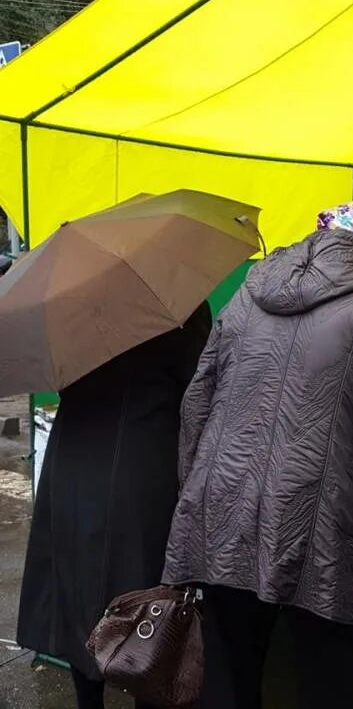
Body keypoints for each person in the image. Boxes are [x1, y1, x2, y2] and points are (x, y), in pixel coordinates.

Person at [162, 200, 353, 709]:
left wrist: (195, 498)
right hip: (322, 520)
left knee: (228, 670)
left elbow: (198, 401)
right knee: (329, 676)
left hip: (224, 504)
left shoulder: (251, 289)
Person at [17, 303, 211, 709]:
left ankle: (89, 701)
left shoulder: (67, 302)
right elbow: (196, 394)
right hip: (141, 471)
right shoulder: (177, 306)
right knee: (148, 608)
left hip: (72, 461)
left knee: (76, 596)